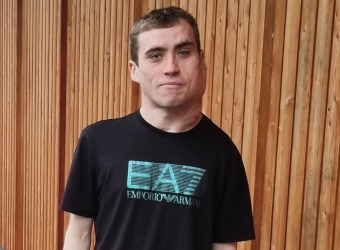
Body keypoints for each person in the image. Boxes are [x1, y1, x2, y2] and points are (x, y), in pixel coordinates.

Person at [61, 6, 255, 250]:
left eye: (184, 52)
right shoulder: (98, 141)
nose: (171, 67)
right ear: (135, 70)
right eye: (155, 55)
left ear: (202, 60)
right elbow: (78, 234)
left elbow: (224, 246)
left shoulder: (223, 153)